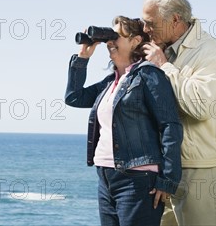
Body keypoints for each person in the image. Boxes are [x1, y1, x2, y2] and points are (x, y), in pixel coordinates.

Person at [65, 16, 183, 226]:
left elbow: (170, 125)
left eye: (116, 36)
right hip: (105, 177)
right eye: (109, 36)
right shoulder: (111, 82)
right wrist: (82, 57)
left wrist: (168, 180)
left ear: (136, 41)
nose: (110, 41)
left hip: (137, 179)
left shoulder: (148, 75)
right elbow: (74, 97)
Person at [140, 0, 216, 226]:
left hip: (201, 168)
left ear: (175, 19)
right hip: (167, 168)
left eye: (150, 22)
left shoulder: (209, 51)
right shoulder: (161, 49)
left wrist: (164, 67)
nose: (145, 29)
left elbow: (201, 106)